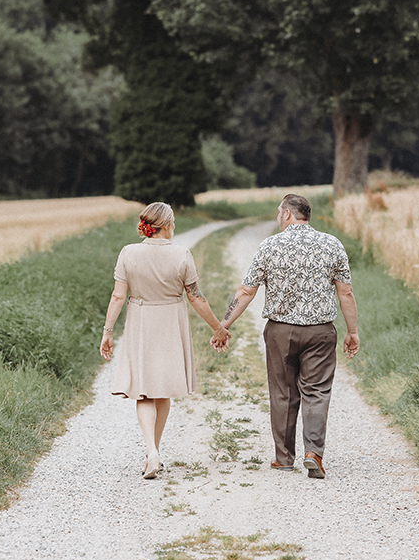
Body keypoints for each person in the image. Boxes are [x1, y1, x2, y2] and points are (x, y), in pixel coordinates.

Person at [212, 193, 359, 479]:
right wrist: (352, 332)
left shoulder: (269, 245)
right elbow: (346, 292)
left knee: (283, 392)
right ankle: (313, 453)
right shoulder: (332, 244)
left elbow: (246, 292)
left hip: (280, 331)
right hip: (320, 331)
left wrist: (223, 325)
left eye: (280, 212)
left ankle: (283, 458)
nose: (279, 217)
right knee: (316, 391)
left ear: (288, 214)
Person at [100, 202, 230, 479]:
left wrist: (107, 332)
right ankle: (154, 452)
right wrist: (217, 327)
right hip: (171, 321)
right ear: (168, 225)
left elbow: (118, 296)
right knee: (162, 391)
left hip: (142, 321)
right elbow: (195, 296)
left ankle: (151, 452)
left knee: (143, 389)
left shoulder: (128, 253)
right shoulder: (181, 254)